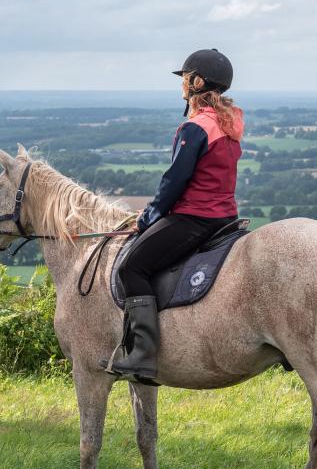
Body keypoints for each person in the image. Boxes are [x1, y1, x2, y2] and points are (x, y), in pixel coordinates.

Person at [102, 48, 244, 381]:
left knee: (132, 266)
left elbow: (175, 181)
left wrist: (149, 216)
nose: (181, 84)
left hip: (195, 218)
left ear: (196, 82)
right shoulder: (231, 123)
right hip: (225, 217)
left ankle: (142, 356)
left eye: (184, 77)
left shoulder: (195, 128)